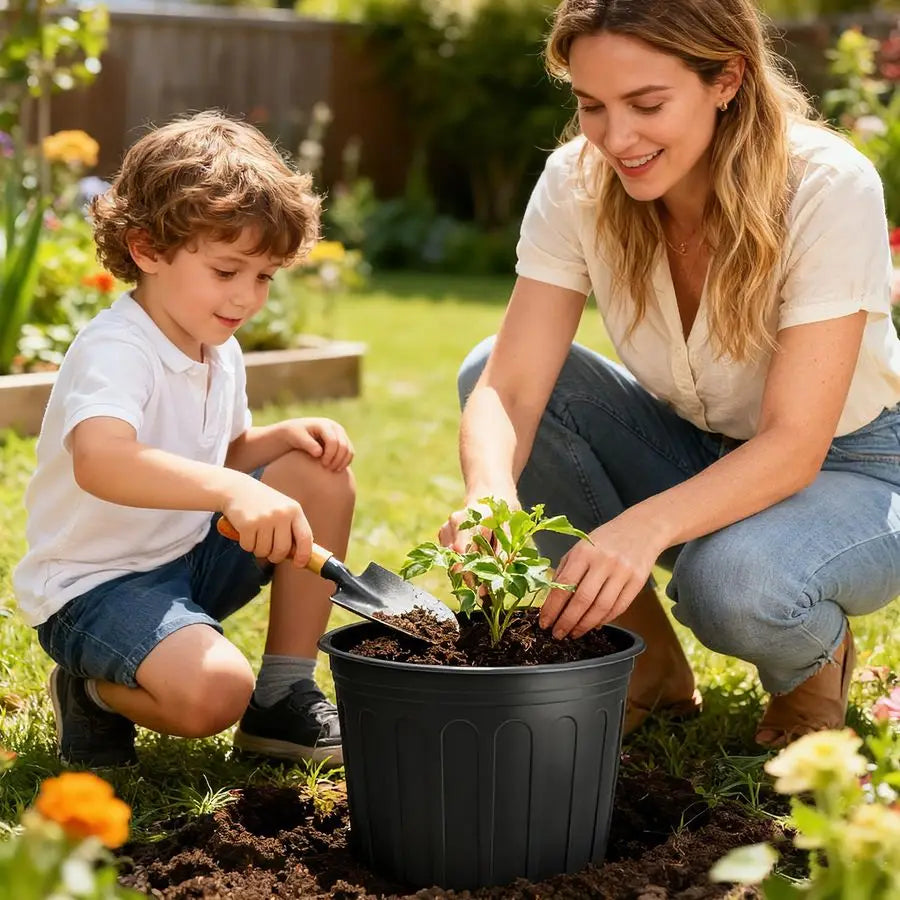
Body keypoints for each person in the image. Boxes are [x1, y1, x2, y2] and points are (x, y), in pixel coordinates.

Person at [440, 0, 900, 748]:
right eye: (592, 105)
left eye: (647, 104)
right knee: (482, 367)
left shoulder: (825, 186)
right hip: (698, 443)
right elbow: (511, 386)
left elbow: (794, 443)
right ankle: (647, 667)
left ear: (727, 78)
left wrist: (640, 530)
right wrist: (489, 498)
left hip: (855, 466)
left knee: (734, 586)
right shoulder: (578, 182)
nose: (616, 138)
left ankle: (813, 666)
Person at [14, 112, 355, 768]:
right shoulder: (118, 349)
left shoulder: (214, 346)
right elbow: (102, 460)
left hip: (187, 557)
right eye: (228, 270)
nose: (248, 297)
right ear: (147, 249)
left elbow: (213, 456)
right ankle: (91, 694)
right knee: (212, 694)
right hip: (94, 588)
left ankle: (283, 696)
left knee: (318, 473)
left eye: (264, 276)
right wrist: (232, 488)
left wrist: (276, 440)